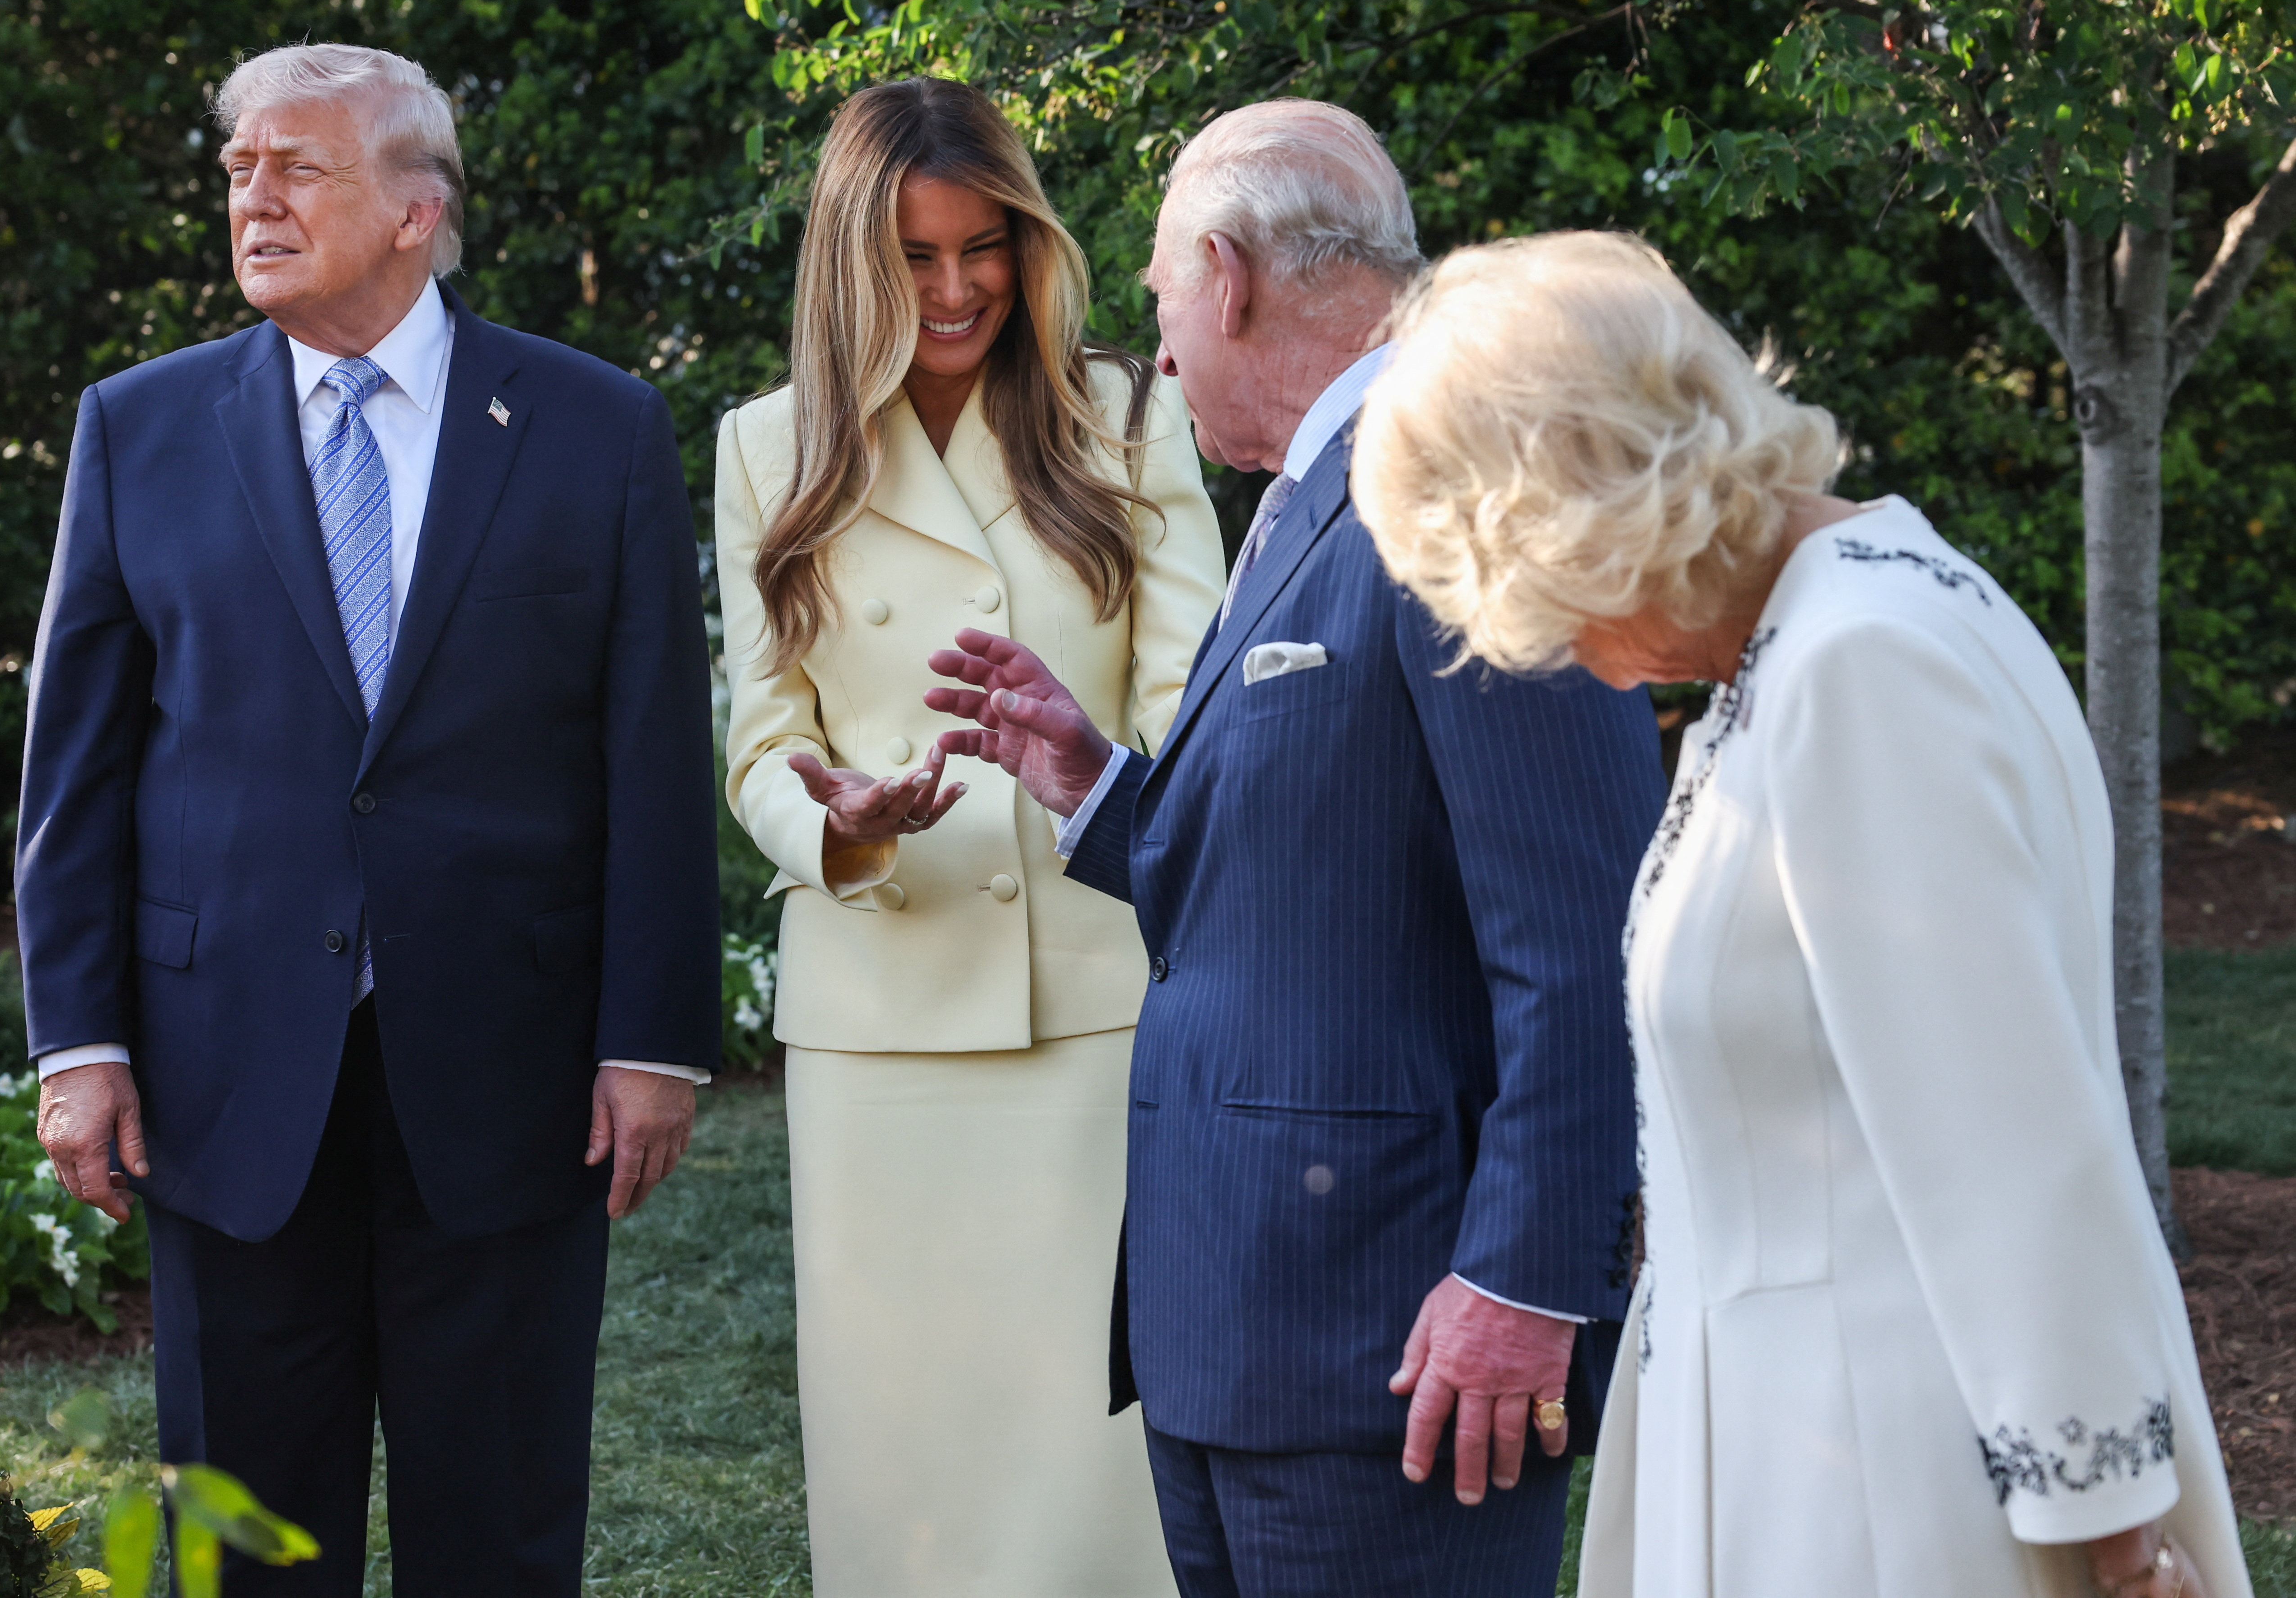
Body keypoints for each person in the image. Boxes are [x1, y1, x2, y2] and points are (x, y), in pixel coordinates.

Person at [1349, 229, 2251, 1598]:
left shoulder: (1857, 666)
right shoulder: (1848, 613)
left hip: (1880, 1485)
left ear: (1577, 519)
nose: (1562, 659)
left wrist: (2113, 1541)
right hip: (1800, 1440)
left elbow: (2004, 1135)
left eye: (1520, 598)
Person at [922, 100, 1666, 1597]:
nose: (1164, 350)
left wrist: (1524, 1282)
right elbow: (1320, 864)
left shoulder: (1463, 492)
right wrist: (1098, 787)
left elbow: (1584, 937)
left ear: (1226, 274)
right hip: (1242, 1331)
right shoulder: (1307, 499)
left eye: (1158, 307)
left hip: (1389, 1350)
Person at [19, 43, 722, 1595]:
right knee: (244, 1539)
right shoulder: (139, 428)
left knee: (500, 1525)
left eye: (296, 167)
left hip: (511, 1071)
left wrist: (652, 1038)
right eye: (237, 171)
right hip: (224, 1076)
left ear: (418, 208)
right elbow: (75, 767)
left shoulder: (595, 427)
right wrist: (79, 1042)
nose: (250, 197)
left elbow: (653, 754)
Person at [715, 78, 1223, 1596]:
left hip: (1093, 1000)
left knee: (1092, 1446)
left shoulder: (1127, 417)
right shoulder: (765, 446)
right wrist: (838, 819)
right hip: (881, 1020)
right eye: (915, 256)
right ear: (850, 264)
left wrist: (1086, 765)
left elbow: (1196, 704)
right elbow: (755, 739)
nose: (954, 290)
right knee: (907, 1444)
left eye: (982, 248)